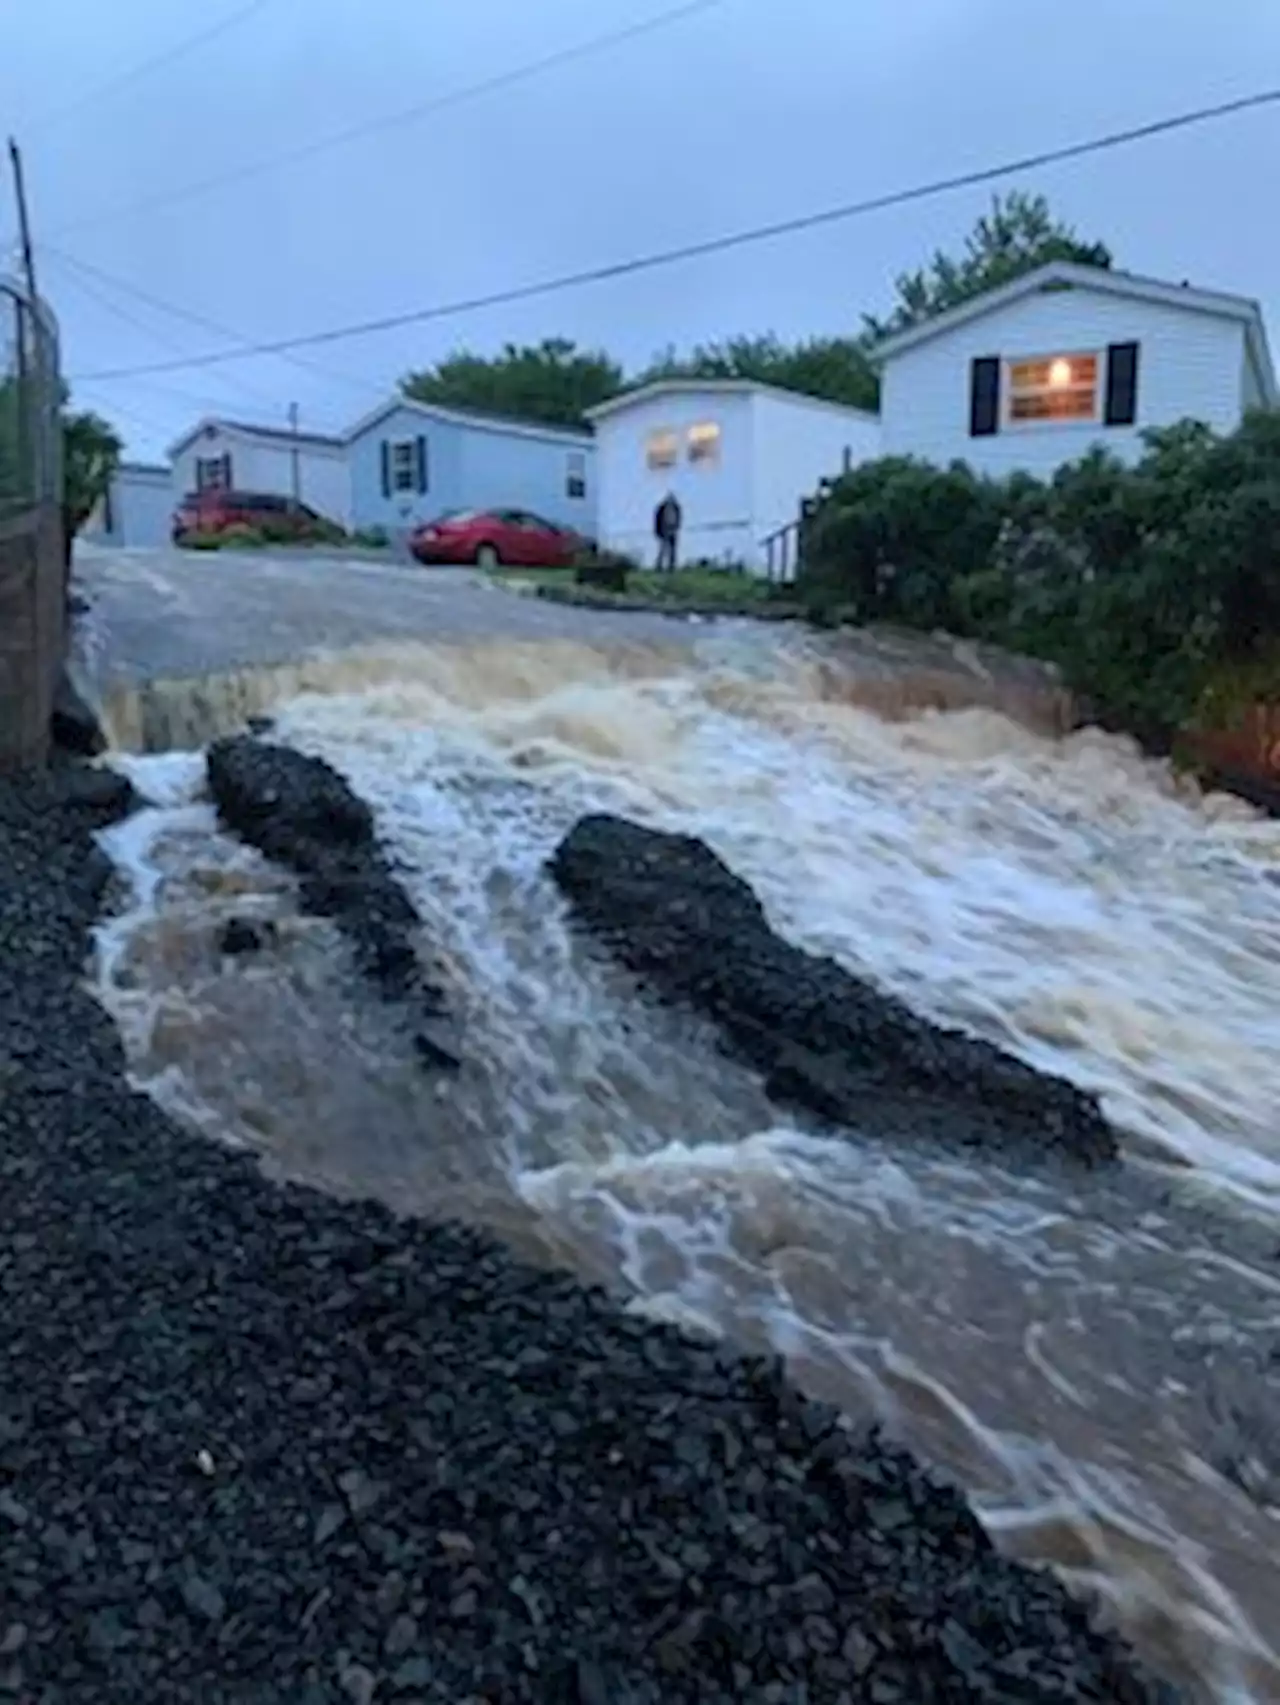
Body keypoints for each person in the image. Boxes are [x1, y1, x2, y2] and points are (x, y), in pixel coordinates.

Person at [653, 491, 681, 572]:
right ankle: (660, 566)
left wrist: (676, 527)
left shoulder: (676, 508)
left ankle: (671, 566)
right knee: (663, 549)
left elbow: (678, 519)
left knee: (672, 550)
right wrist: (658, 531)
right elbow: (658, 521)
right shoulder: (662, 508)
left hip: (672, 530)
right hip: (664, 530)